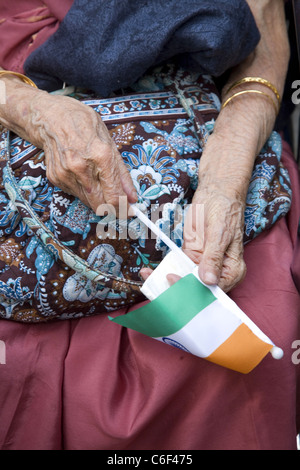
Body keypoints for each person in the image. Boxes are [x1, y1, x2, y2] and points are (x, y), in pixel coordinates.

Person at [0, 0, 299, 450]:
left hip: (226, 173)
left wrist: (227, 169)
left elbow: (265, 21)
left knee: (255, 352)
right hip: (17, 208)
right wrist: (28, 109)